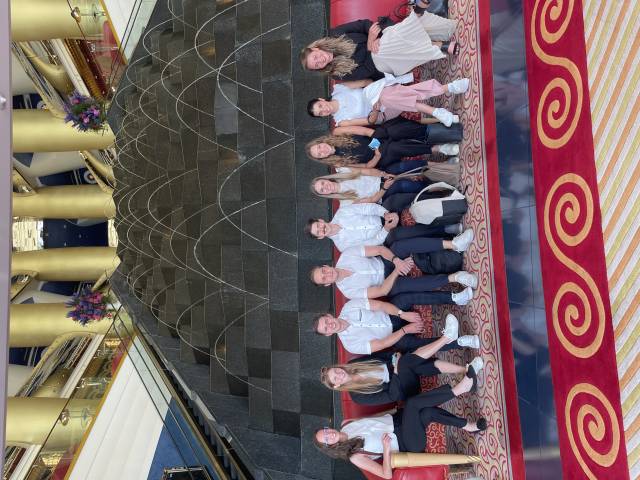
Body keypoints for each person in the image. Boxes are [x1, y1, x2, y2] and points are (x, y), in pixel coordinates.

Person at [314, 368, 487, 478]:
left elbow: (376, 421)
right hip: (407, 442)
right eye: (327, 439)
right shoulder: (354, 456)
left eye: (325, 431)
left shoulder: (346, 423)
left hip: (400, 421)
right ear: (330, 446)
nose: (329, 434)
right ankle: (459, 389)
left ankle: (468, 426)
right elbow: (386, 475)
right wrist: (386, 449)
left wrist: (395, 411)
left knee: (428, 412)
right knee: (413, 403)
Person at [300, 0, 458, 81]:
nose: (320, 61)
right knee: (381, 52)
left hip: (385, 36)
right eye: (317, 65)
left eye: (315, 58)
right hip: (382, 65)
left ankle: (439, 45)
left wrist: (372, 36)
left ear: (315, 49)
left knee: (389, 39)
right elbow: (366, 71)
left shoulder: (335, 34)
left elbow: (363, 24)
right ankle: (417, 13)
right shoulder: (336, 74)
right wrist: (370, 46)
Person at [309, 238, 477, 301]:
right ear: (326, 285)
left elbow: (380, 250)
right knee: (405, 288)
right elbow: (381, 290)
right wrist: (399, 270)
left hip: (386, 262)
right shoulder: (348, 291)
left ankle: (454, 244)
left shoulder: (346, 255)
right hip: (388, 283)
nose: (327, 274)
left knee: (399, 246)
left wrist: (397, 261)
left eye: (323, 271)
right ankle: (455, 278)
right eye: (324, 278)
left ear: (326, 266)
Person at [321, 344, 484, 405]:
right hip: (403, 390)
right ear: (337, 386)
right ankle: (447, 338)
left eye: (336, 371)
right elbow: (392, 396)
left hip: (400, 366)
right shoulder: (358, 396)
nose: (339, 374)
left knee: (414, 364)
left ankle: (466, 371)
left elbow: (381, 358)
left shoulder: (352, 365)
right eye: (336, 378)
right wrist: (398, 369)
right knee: (408, 363)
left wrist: (395, 358)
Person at [312, 301, 479, 354]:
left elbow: (380, 305)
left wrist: (402, 314)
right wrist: (405, 330)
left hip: (392, 314)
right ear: (328, 335)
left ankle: (454, 297)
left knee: (404, 295)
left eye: (326, 322)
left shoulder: (349, 306)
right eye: (326, 329)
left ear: (328, 316)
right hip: (394, 336)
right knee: (413, 347)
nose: (329, 325)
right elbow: (382, 344)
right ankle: (460, 341)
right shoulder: (349, 344)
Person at [305, 119, 463, 170]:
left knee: (395, 131)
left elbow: (366, 132)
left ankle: (430, 131)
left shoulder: (338, 132)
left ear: (321, 142)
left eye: (319, 147)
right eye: (319, 154)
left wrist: (375, 146)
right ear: (322, 158)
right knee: (394, 148)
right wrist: (377, 155)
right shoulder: (339, 163)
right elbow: (366, 166)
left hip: (377, 137)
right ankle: (438, 148)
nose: (322, 151)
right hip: (380, 157)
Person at [307, 77, 469, 127]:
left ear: (322, 100)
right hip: (381, 113)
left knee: (388, 96)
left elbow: (366, 82)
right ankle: (449, 88)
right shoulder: (341, 121)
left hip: (380, 92)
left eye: (320, 106)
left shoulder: (339, 89)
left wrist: (374, 95)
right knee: (394, 98)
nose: (324, 110)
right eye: (321, 113)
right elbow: (368, 121)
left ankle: (436, 112)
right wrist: (376, 110)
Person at [304, 202, 462, 253]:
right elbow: (371, 245)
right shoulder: (342, 247)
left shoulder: (342, 212)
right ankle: (447, 230)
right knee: (401, 235)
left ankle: (447, 204)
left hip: (382, 214)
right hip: (384, 237)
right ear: (320, 237)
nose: (321, 229)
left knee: (398, 202)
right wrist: (386, 229)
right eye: (318, 232)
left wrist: (386, 214)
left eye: (319, 226)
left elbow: (367, 208)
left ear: (321, 220)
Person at [311, 165, 435, 212]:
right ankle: (433, 189)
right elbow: (372, 200)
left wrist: (384, 175)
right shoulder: (345, 203)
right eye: (322, 190)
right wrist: (384, 188)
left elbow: (368, 171)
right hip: (382, 194)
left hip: (380, 177)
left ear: (325, 179)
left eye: (322, 183)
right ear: (325, 195)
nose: (325, 187)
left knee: (400, 167)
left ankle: (434, 166)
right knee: (401, 185)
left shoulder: (343, 171)